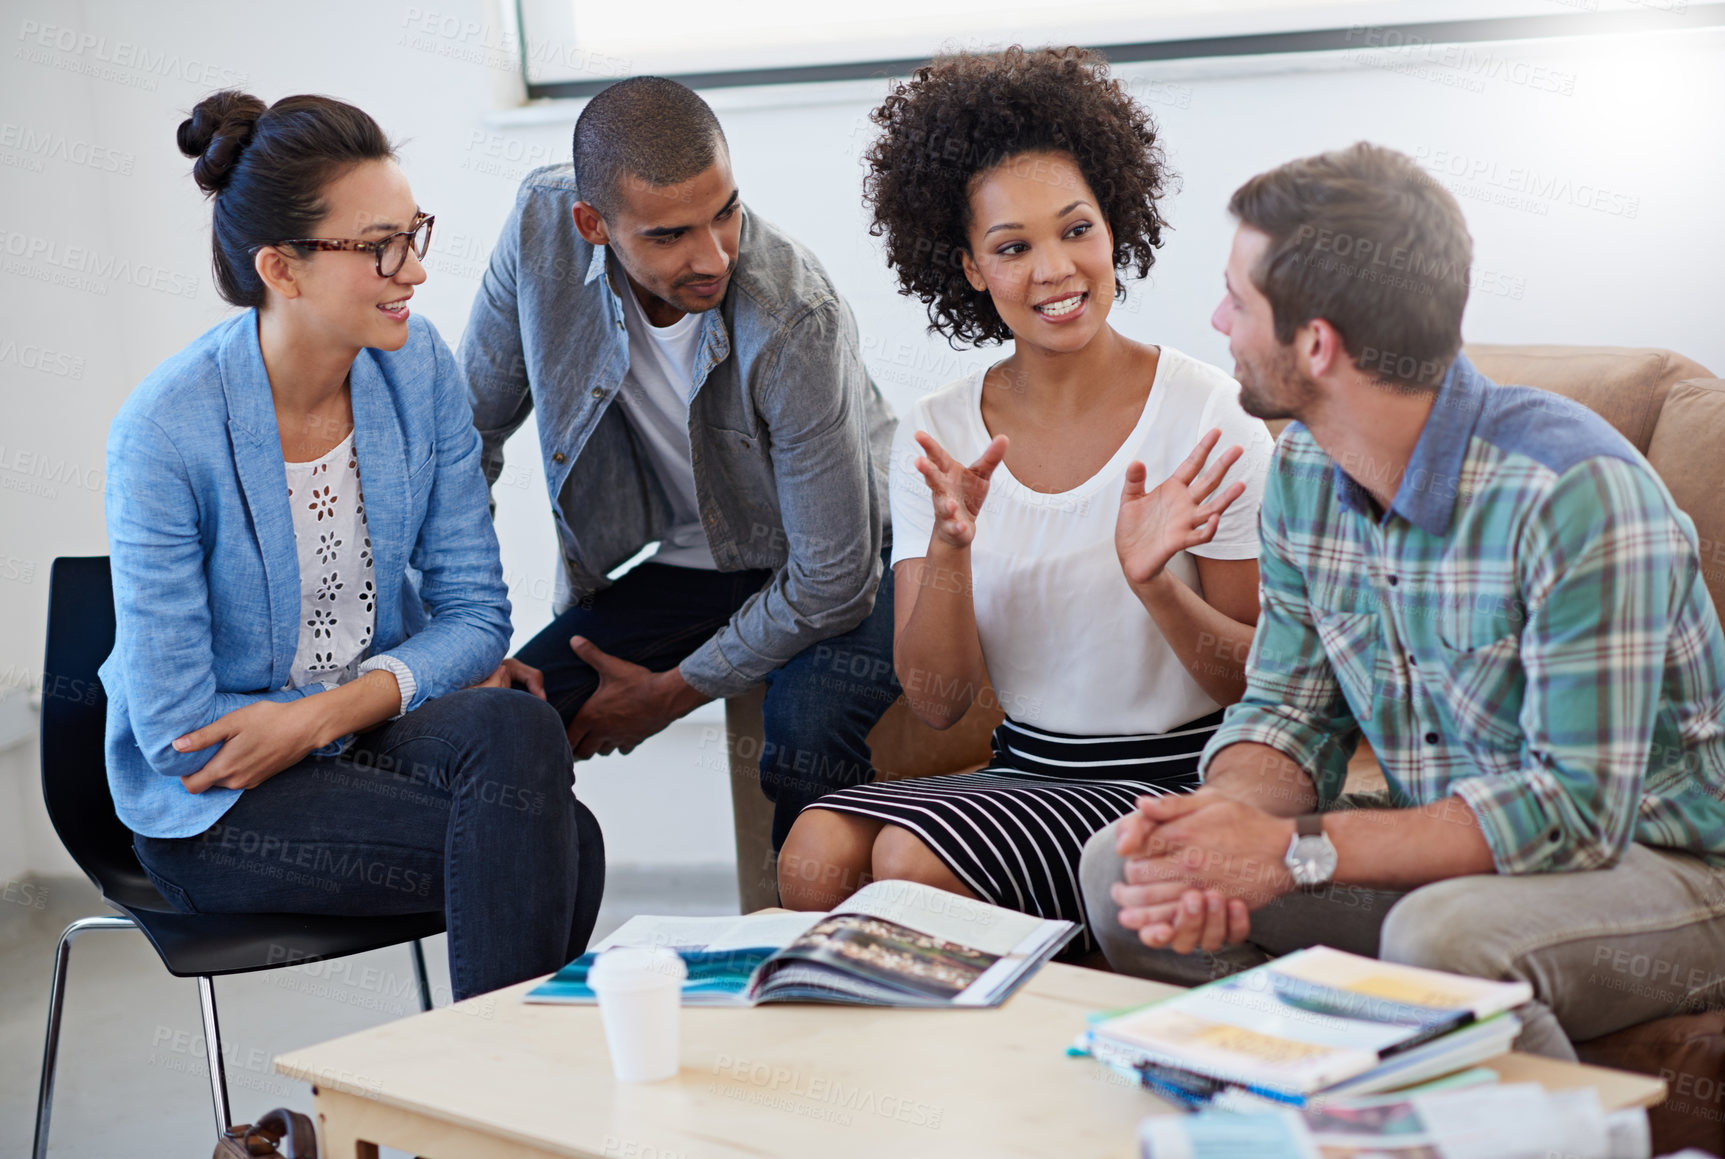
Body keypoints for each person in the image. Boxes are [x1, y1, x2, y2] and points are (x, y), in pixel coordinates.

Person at [1080, 142, 1725, 1058]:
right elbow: (1286, 712)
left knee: (1441, 939)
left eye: (1239, 298)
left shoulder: (1575, 496)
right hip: (1457, 849)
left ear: (1315, 343)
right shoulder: (1304, 468)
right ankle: (1278, 1111)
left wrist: (1293, 852)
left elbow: (1569, 813)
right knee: (1128, 873)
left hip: (1666, 867)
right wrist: (1224, 827)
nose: (1218, 319)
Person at [103, 91, 602, 1002]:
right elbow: (181, 735)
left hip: (344, 740)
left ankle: (470, 1125)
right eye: (379, 245)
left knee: (519, 726)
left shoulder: (417, 368)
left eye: (415, 232)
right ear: (280, 269)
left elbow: (477, 614)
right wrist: (367, 701)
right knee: (562, 841)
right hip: (219, 806)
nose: (411, 269)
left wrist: (318, 714)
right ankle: (488, 1127)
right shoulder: (166, 432)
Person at [776, 47, 1275, 953]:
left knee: (911, 865)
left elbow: (1253, 687)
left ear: (1113, 224)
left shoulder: (1213, 417)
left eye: (1075, 229)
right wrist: (953, 554)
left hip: (1172, 777)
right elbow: (935, 702)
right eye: (1012, 247)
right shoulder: (939, 433)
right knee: (813, 857)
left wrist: (1157, 584)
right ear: (968, 267)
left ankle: (1021, 1048)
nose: (1055, 269)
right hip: (1026, 771)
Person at [462, 77, 900, 854]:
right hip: (701, 562)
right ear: (592, 223)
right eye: (668, 236)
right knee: (503, 719)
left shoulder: (796, 313)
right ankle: (529, 958)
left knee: (805, 722)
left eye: (725, 211)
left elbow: (833, 580)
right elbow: (467, 440)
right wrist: (465, 639)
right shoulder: (539, 230)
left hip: (851, 549)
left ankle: (813, 958)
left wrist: (668, 694)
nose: (713, 255)